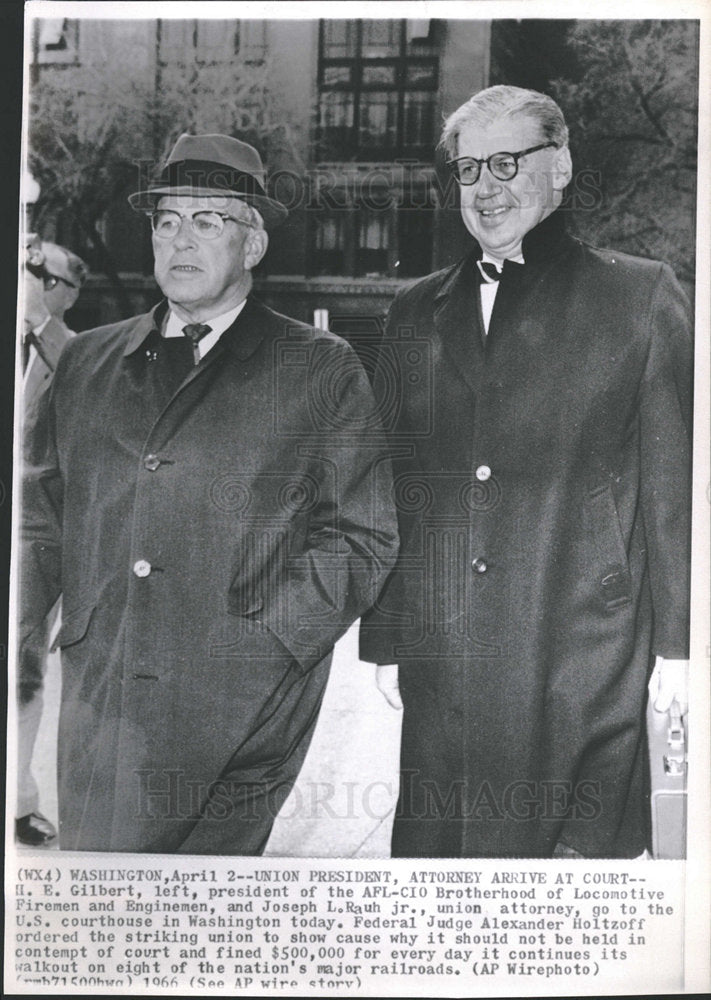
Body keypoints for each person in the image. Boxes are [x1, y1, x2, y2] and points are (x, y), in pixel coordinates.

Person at [19, 133, 398, 854]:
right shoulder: (89, 361)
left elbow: (363, 535)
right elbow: (39, 520)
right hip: (106, 703)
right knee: (104, 917)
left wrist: (270, 643)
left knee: (196, 928)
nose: (179, 240)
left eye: (207, 221)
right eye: (166, 221)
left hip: (244, 709)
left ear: (252, 245)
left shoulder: (319, 369)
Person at [360, 85, 692, 859]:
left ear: (562, 166)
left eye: (508, 161)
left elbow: (670, 494)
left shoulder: (640, 296)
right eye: (468, 167)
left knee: (566, 899)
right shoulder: (412, 310)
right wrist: (387, 633)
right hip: (444, 666)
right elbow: (391, 482)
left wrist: (676, 653)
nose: (486, 186)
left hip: (583, 657)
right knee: (441, 897)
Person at [17, 241, 88, 846]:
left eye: (37, 273)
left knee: (20, 671)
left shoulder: (74, 355)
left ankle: (18, 802)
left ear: (63, 293)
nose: (25, 278)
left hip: (32, 537)